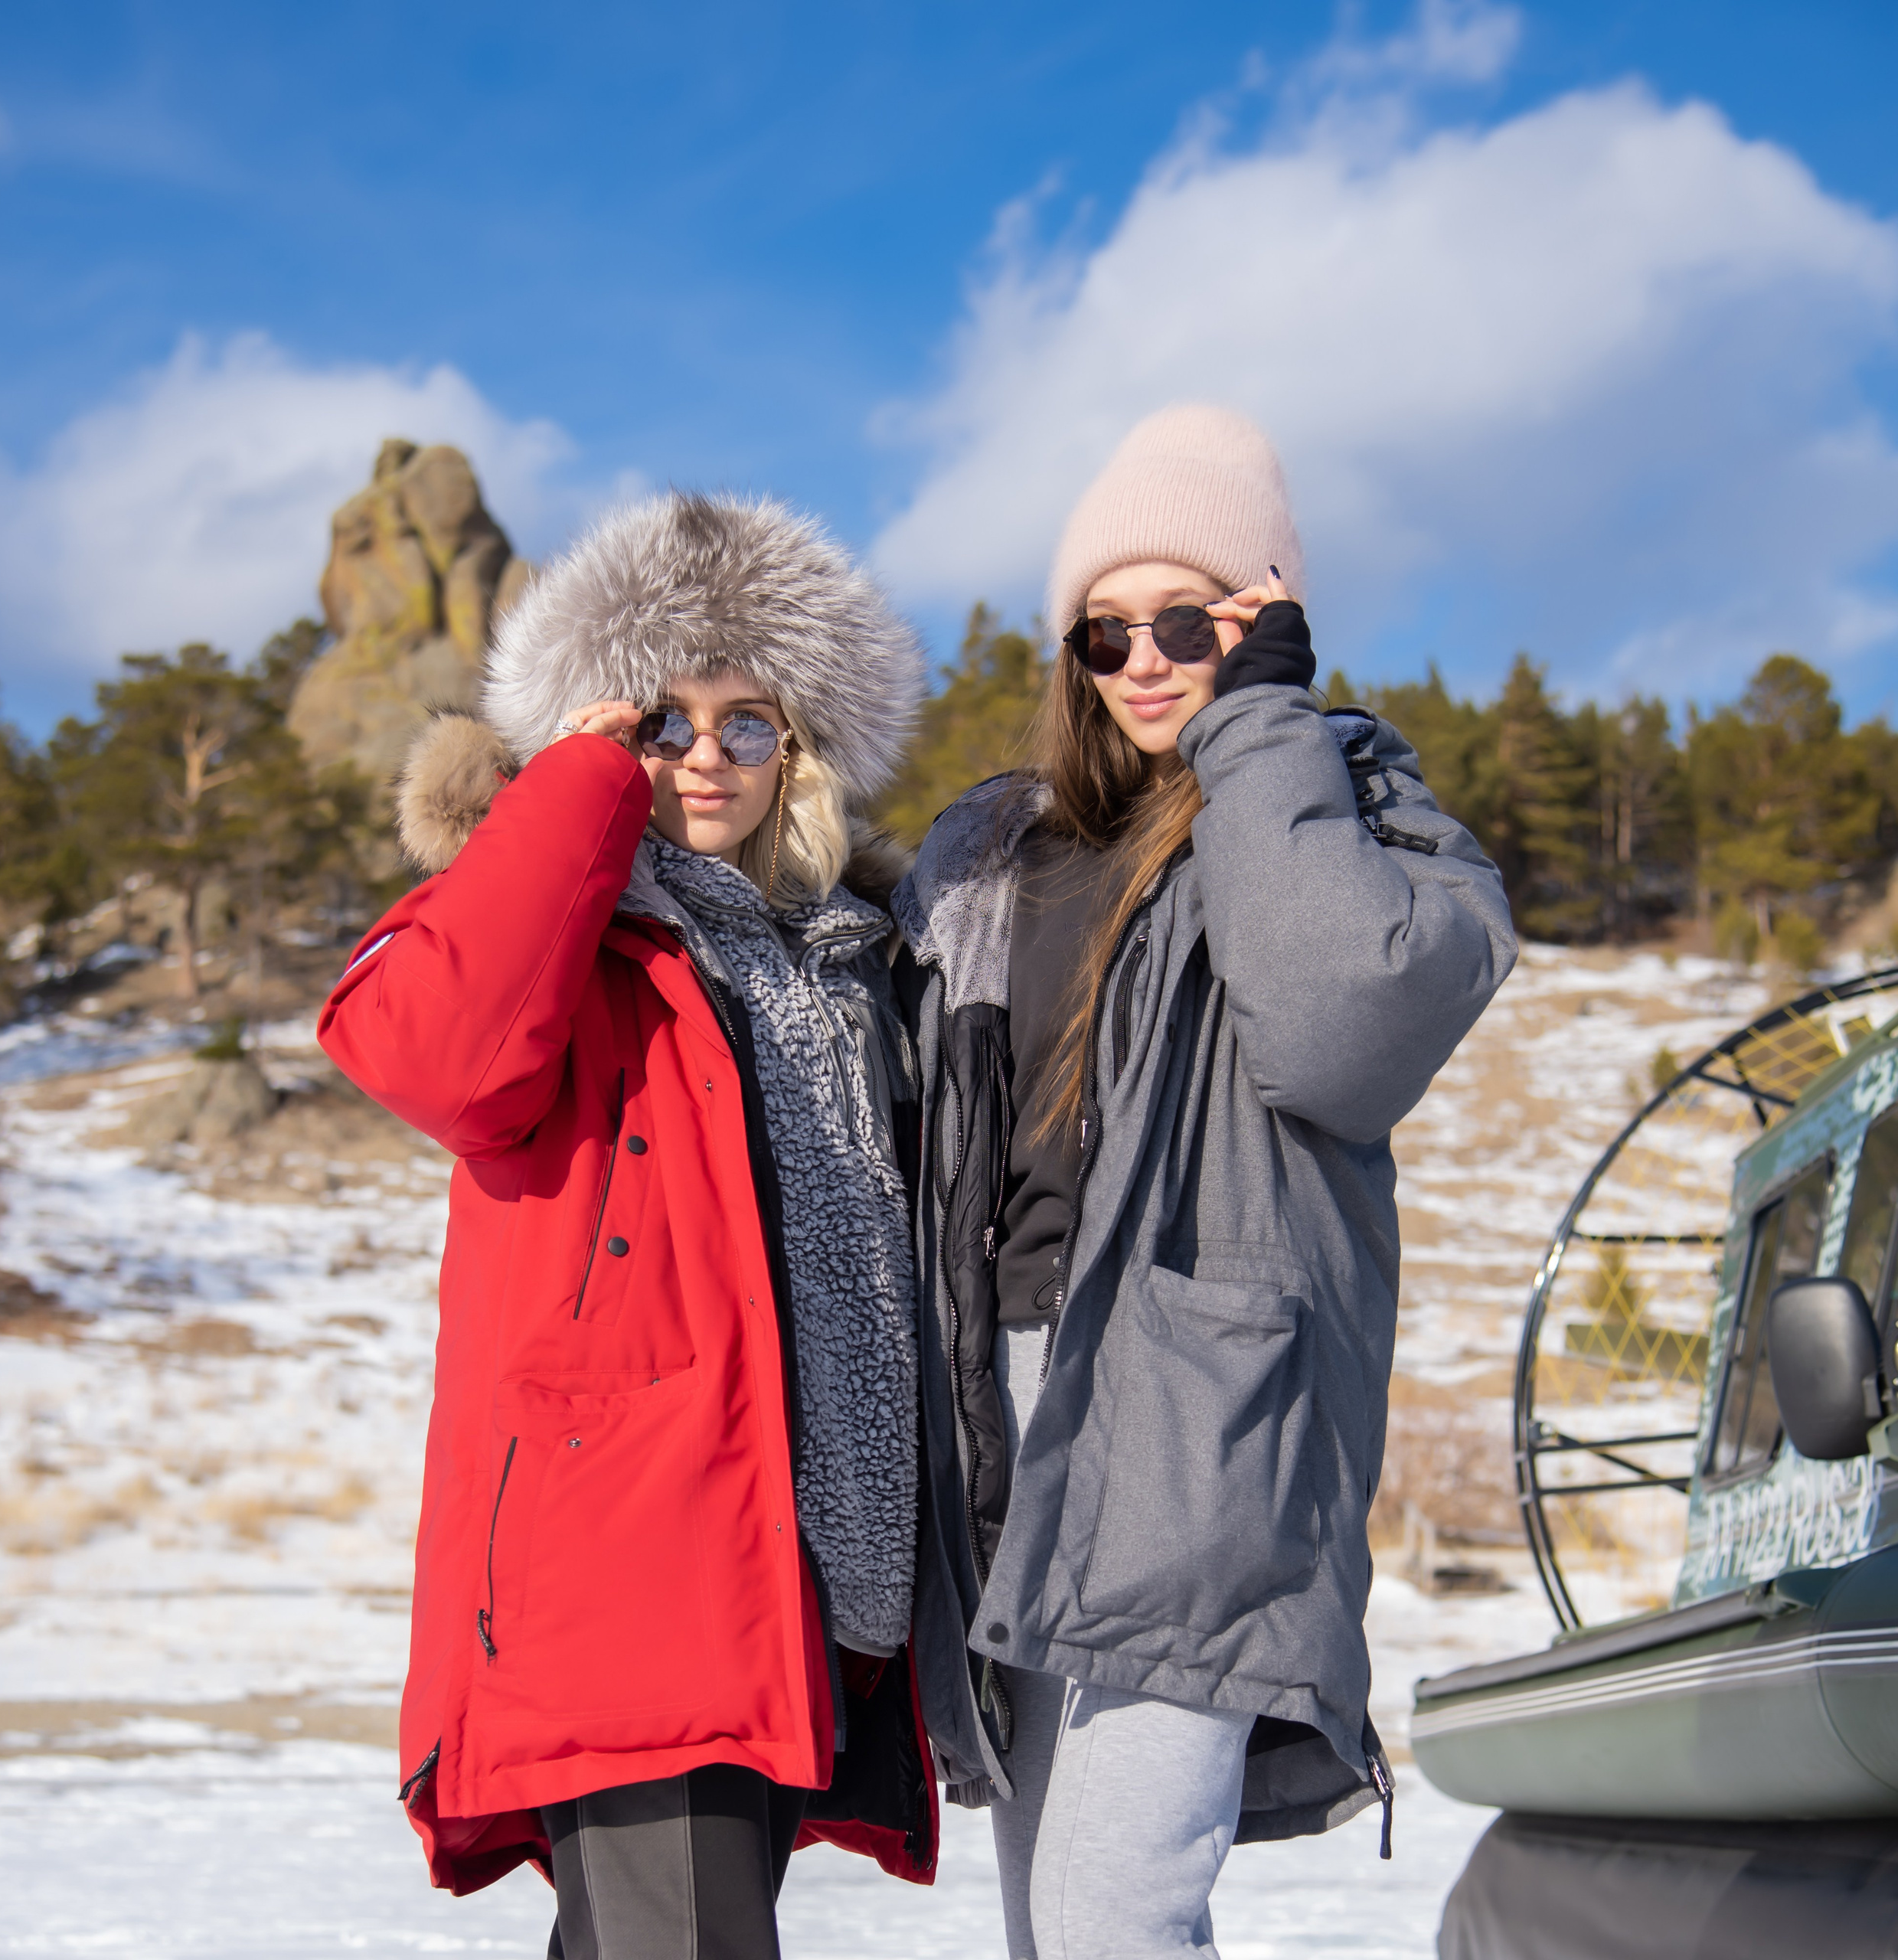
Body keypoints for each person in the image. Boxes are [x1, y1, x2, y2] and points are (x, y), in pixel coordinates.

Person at [893, 405, 1518, 1959]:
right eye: (1108, 629)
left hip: (1195, 1422)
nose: (1147, 657)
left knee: (1115, 1916)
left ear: (1270, 619)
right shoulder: (986, 855)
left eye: (1194, 619)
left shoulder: (1361, 817)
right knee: (1054, 1923)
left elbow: (1335, 1033)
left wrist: (1260, 725)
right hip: (1002, 1420)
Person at [319, 492, 939, 1960]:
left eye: (748, 722)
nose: (705, 756)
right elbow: (430, 1053)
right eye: (663, 718)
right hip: (626, 1560)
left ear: (801, 748)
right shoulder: (559, 938)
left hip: (801, 1560)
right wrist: (578, 787)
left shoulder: (846, 961)